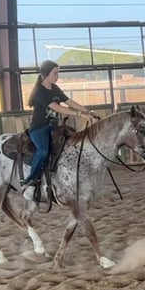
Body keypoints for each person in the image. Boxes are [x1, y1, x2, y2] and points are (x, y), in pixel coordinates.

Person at [20, 60, 100, 200]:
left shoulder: (55, 88)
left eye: (58, 72)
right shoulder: (40, 92)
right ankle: (30, 181)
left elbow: (69, 102)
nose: (58, 76)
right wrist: (81, 115)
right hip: (39, 129)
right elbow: (58, 108)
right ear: (46, 74)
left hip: (54, 127)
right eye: (55, 73)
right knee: (43, 151)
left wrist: (89, 111)